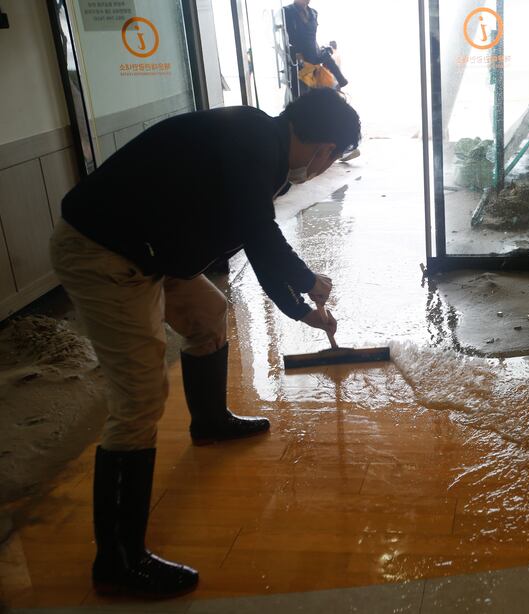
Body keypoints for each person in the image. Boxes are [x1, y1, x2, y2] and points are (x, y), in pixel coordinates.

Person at [49, 88, 361, 598]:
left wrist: (304, 309)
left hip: (150, 249)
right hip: (103, 253)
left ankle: (210, 422)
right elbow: (262, 240)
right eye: (335, 158)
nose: (329, 167)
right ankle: (118, 561)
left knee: (209, 313)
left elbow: (256, 245)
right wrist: (308, 283)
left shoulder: (264, 148)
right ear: (325, 149)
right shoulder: (253, 142)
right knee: (139, 399)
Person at [283, 0, 348, 98]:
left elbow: (312, 37)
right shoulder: (287, 11)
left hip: (314, 52)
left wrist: (321, 50)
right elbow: (287, 38)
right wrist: (298, 57)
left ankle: (341, 83)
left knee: (327, 57)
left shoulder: (313, 12)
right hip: (299, 58)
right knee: (303, 93)